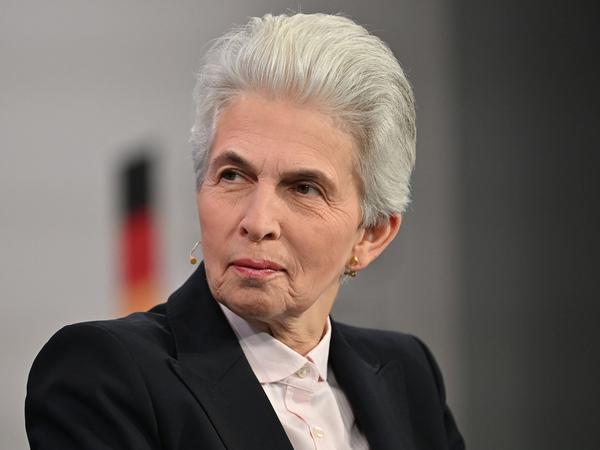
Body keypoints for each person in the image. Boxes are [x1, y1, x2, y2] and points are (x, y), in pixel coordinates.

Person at [25, 13, 465, 450]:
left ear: (370, 234)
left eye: (304, 188)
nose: (257, 221)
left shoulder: (408, 375)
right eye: (233, 176)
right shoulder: (105, 373)